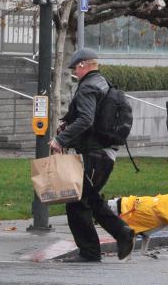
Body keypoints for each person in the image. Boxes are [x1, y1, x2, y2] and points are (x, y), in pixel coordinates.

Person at [50, 48, 134, 262]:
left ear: (82, 65)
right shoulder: (102, 83)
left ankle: (95, 249)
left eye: (75, 69)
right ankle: (113, 238)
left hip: (95, 155)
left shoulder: (88, 87)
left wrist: (60, 140)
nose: (74, 73)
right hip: (102, 154)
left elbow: (86, 119)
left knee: (78, 202)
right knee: (87, 200)